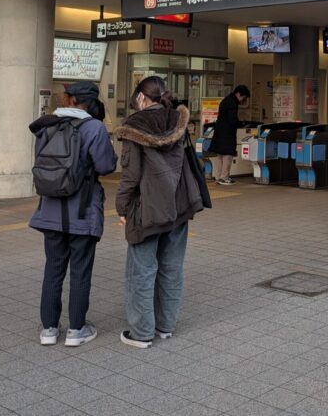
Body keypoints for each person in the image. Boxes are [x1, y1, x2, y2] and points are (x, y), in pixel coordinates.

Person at [115, 76, 204, 348]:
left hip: (148, 208)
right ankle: (165, 326)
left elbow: (130, 175)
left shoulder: (134, 126)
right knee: (171, 267)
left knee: (141, 270)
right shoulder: (178, 121)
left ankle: (142, 333)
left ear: (142, 97)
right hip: (179, 204)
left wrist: (122, 207)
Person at [29, 81, 116, 347]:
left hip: (50, 209)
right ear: (91, 102)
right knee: (80, 271)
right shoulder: (94, 128)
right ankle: (76, 330)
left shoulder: (47, 125)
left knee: (53, 269)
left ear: (70, 99)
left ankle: (49, 329)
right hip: (82, 210)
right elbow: (106, 165)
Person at [209, 84, 251, 185]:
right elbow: (232, 120)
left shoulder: (225, 100)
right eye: (243, 97)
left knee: (219, 156)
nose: (243, 100)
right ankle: (224, 177)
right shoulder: (232, 104)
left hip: (219, 132)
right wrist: (241, 124)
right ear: (238, 94)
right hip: (227, 134)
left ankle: (218, 177)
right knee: (228, 155)